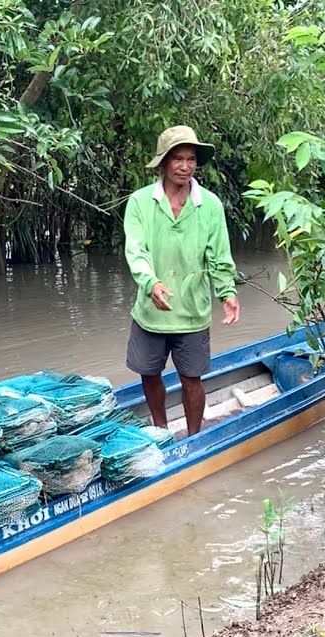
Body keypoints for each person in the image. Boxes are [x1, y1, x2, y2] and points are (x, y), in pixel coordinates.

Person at [123, 125, 240, 438]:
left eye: (190, 159)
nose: (185, 166)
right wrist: (151, 284)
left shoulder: (210, 205)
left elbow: (218, 256)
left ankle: (195, 436)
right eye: (177, 159)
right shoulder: (140, 202)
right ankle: (160, 430)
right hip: (151, 311)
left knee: (192, 378)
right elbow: (136, 251)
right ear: (163, 163)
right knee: (149, 373)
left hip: (191, 311)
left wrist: (226, 292)